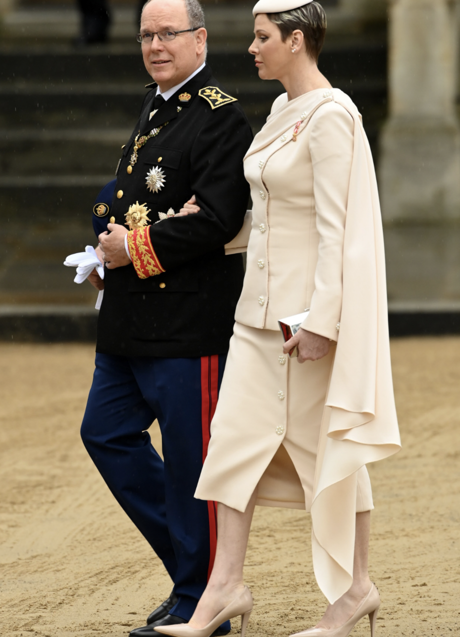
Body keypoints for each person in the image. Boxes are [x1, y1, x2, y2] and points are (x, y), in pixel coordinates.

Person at [153, 2, 401, 637]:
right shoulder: (280, 112)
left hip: (303, 323)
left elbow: (336, 229)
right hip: (255, 315)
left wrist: (323, 320)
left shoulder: (332, 114)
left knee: (330, 453)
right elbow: (267, 212)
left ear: (297, 40)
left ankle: (355, 592)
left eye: (263, 38)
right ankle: (224, 589)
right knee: (233, 447)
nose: (253, 49)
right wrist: (205, 227)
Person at [79, 0, 253, 636]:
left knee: (190, 463)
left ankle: (203, 598)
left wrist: (135, 248)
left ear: (200, 38)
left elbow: (217, 219)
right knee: (105, 435)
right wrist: (100, 245)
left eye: (168, 33)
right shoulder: (156, 106)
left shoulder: (221, 116)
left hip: (188, 323)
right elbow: (125, 195)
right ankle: (196, 573)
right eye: (146, 34)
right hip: (129, 322)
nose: (155, 44)